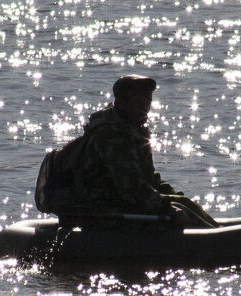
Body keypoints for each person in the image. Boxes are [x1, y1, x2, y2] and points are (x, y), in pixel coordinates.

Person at [70, 75, 218, 228]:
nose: (145, 107)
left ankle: (217, 232)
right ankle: (216, 243)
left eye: (148, 101)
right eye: (139, 102)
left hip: (126, 201)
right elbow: (133, 188)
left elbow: (147, 179)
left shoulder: (133, 130)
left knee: (185, 203)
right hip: (106, 209)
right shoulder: (112, 136)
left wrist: (174, 196)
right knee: (179, 211)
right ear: (123, 102)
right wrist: (169, 208)